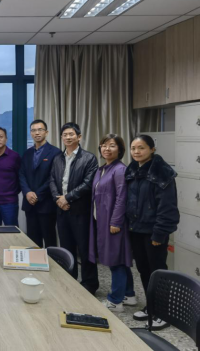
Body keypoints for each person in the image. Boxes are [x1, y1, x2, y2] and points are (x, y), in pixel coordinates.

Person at [125, 134, 179, 331]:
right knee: (144, 270)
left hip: (154, 232)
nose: (136, 152)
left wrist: (159, 233)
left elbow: (167, 207)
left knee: (158, 272)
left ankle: (163, 312)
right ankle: (151, 307)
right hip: (136, 229)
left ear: (152, 149)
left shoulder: (162, 172)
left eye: (141, 148)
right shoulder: (133, 169)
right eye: (133, 148)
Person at [49, 122, 99, 294]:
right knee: (66, 248)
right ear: (61, 137)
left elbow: (88, 183)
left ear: (79, 137)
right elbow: (52, 180)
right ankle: (69, 281)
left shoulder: (89, 158)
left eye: (71, 134)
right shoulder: (58, 158)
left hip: (80, 211)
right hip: (62, 210)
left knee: (85, 249)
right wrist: (58, 199)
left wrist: (67, 198)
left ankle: (89, 284)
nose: (68, 137)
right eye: (65, 135)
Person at [88, 134, 135, 312]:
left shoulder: (120, 170)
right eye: (104, 145)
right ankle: (129, 294)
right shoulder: (102, 169)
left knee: (116, 261)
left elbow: (122, 197)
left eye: (112, 145)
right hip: (102, 220)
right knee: (119, 258)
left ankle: (115, 301)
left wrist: (115, 221)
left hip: (113, 223)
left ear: (120, 150)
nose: (107, 149)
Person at [19, 119, 61, 247]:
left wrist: (37, 194)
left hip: (46, 203)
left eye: (40, 130)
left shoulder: (55, 152)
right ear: (31, 133)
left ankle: (52, 261)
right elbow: (21, 174)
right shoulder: (27, 153)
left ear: (46, 132)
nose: (37, 133)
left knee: (49, 240)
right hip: (29, 204)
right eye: (33, 130)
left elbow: (53, 177)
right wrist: (27, 192)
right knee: (32, 240)